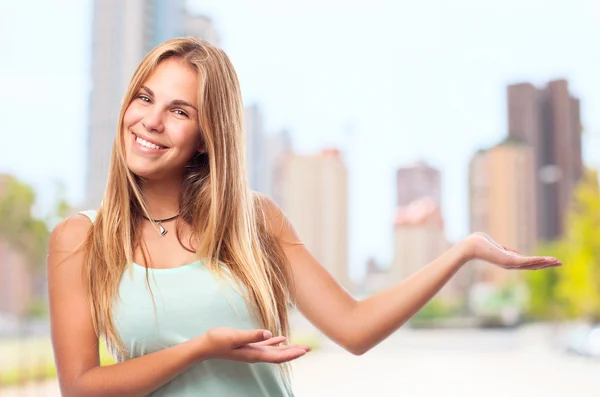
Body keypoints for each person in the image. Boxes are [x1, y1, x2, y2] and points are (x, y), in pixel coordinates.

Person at [47, 37, 562, 397]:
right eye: (145, 97)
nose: (151, 121)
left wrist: (464, 250)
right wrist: (201, 348)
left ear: (208, 138)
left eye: (180, 111)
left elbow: (355, 328)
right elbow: (81, 387)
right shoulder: (80, 239)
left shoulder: (254, 220)